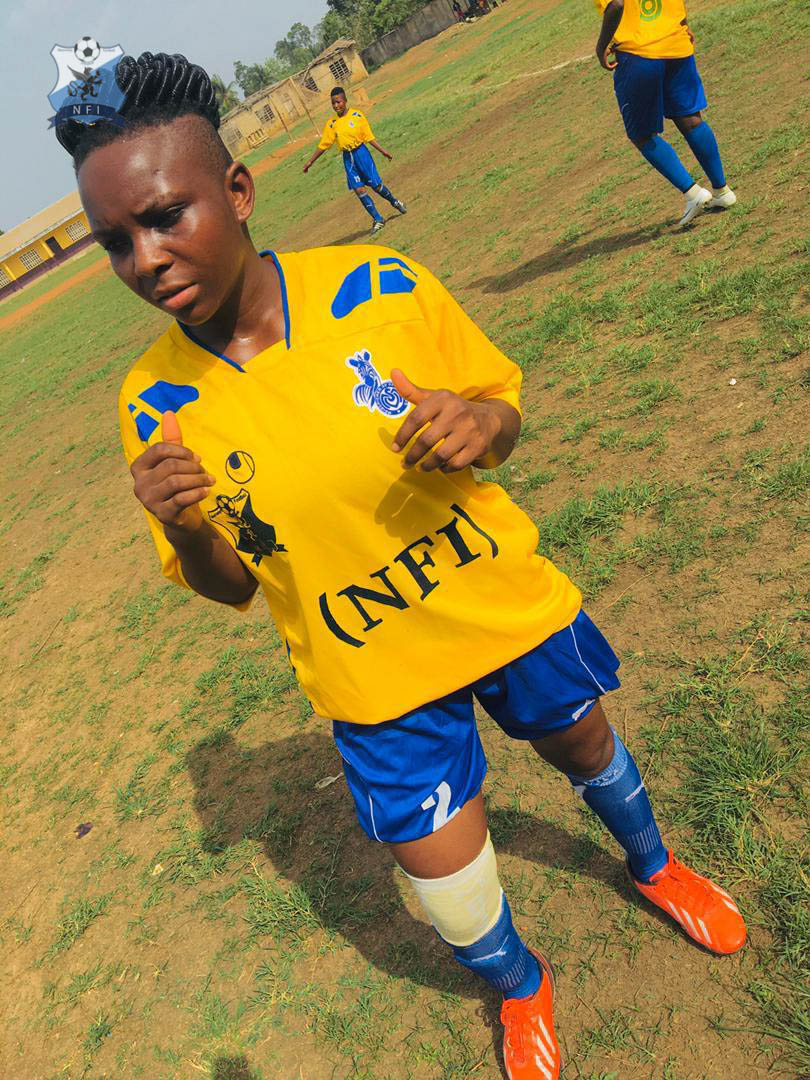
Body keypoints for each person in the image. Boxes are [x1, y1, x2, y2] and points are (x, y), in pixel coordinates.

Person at [57, 51, 747, 1080]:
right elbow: (232, 586)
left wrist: (480, 423)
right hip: (370, 674)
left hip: (497, 607)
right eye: (117, 241)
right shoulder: (153, 402)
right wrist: (189, 527)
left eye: (165, 217)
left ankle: (654, 865)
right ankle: (521, 985)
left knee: (584, 742)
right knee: (446, 881)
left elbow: (499, 413)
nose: (145, 260)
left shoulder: (379, 287)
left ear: (236, 191)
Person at [594, 0, 736, 225]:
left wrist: (600, 47)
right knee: (690, 119)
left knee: (641, 134)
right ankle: (722, 191)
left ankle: (693, 194)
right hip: (676, 44)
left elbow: (616, 4)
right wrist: (683, 23)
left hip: (639, 53)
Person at [303, 86, 406, 236]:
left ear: (345, 100)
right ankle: (378, 219)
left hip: (362, 154)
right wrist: (310, 161)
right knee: (359, 190)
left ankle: (395, 202)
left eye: (338, 102)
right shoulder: (332, 123)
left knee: (376, 186)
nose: (336, 105)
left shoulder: (357, 116)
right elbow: (324, 144)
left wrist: (383, 151)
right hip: (348, 159)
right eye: (333, 103)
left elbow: (368, 137)